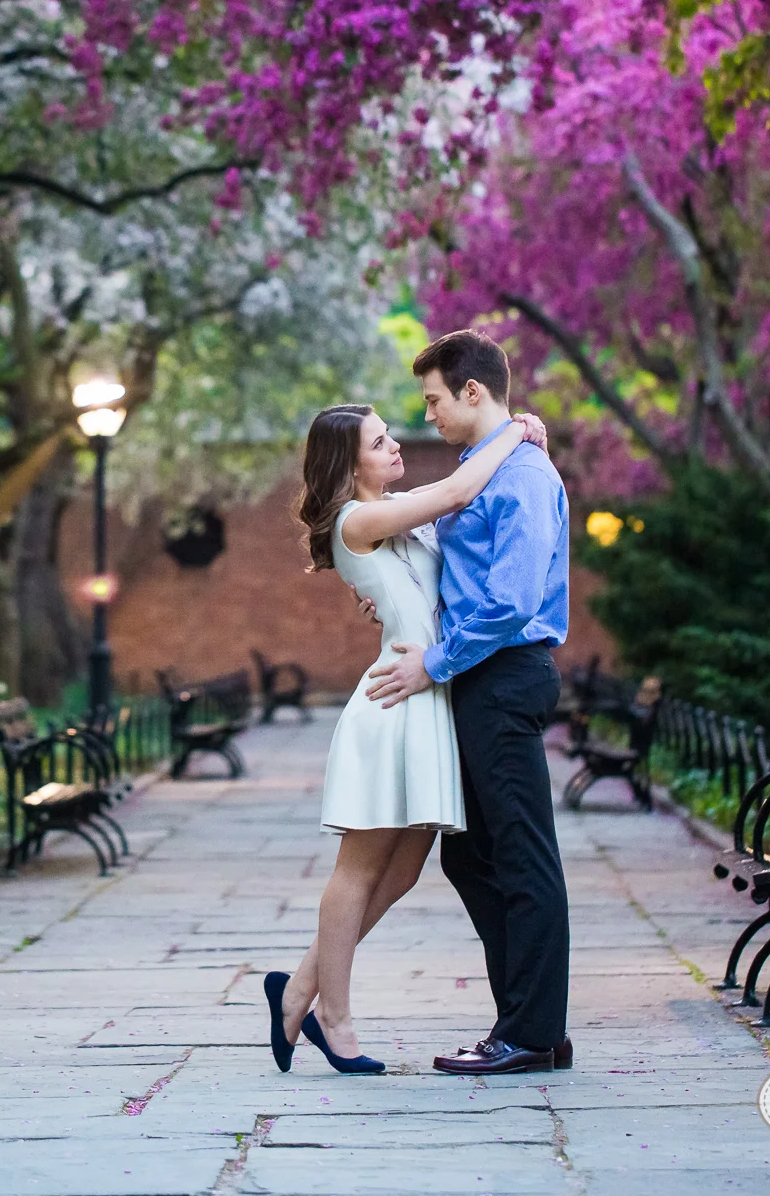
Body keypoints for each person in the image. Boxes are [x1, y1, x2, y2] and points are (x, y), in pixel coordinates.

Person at [263, 399, 546, 1075]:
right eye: (381, 441)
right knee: (358, 869)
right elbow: (456, 489)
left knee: (406, 868)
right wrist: (516, 428)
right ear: (348, 460)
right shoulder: (357, 518)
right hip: (393, 704)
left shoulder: (390, 519)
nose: (397, 447)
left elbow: (432, 563)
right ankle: (335, 1013)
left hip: (428, 697)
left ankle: (299, 987)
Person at [364, 330, 572, 1076]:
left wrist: (435, 661)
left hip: (503, 674)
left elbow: (510, 601)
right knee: (473, 853)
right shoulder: (485, 468)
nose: (430, 414)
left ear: (473, 391)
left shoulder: (517, 478)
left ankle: (532, 1031)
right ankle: (528, 1019)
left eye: (434, 399)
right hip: (482, 679)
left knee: (520, 856)